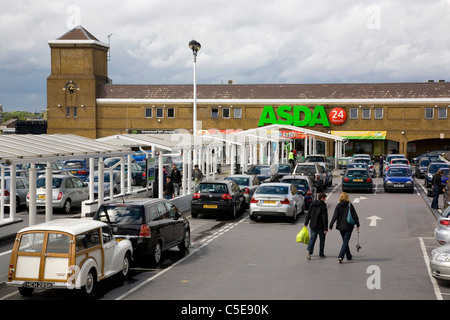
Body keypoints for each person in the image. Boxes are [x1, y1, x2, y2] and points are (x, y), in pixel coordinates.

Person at [329, 192, 360, 263]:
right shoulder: (350, 205)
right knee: (346, 241)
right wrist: (357, 225)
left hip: (340, 226)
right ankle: (341, 256)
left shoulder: (338, 206)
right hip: (348, 226)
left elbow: (335, 216)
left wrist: (331, 225)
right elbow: (355, 216)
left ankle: (349, 256)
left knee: (345, 241)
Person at [304, 193, 328, 260]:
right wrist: (326, 228)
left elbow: (309, 214)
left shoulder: (312, 204)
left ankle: (309, 251)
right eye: (325, 198)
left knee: (312, 239)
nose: (325, 199)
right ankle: (321, 253)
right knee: (322, 240)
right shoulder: (323, 206)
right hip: (321, 226)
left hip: (313, 225)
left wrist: (306, 223)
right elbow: (324, 218)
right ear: (322, 198)